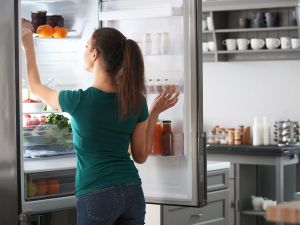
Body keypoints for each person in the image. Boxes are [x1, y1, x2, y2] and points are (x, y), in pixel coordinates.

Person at [22, 19, 179, 225]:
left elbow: (35, 87)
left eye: (87, 46)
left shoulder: (79, 100)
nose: (85, 50)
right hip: (132, 191)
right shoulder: (135, 100)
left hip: (97, 194)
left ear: (95, 54)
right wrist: (155, 112)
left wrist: (27, 43)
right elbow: (140, 156)